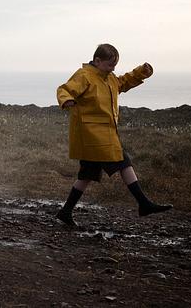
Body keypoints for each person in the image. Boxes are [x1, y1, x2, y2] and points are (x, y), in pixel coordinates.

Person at [56, 43, 172, 226]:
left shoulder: (109, 78)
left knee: (86, 175)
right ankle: (144, 203)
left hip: (103, 133)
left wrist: (141, 72)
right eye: (110, 64)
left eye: (115, 65)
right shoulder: (84, 75)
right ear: (97, 60)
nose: (113, 69)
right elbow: (65, 89)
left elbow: (123, 82)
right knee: (123, 161)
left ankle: (65, 211)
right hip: (92, 135)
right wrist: (68, 100)